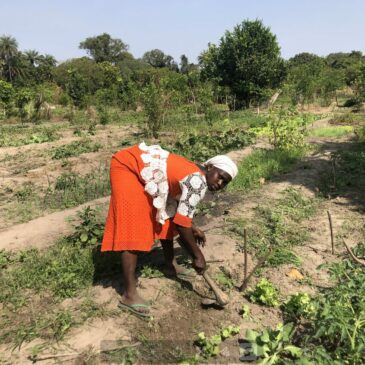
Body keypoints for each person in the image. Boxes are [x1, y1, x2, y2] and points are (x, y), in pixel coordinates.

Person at [101, 142, 238, 317]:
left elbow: (177, 213)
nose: (219, 183)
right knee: (135, 227)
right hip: (127, 167)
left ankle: (170, 265)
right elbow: (182, 225)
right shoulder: (197, 182)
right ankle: (129, 294)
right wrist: (198, 256)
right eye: (220, 176)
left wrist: (192, 228)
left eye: (224, 183)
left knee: (165, 215)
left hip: (143, 169)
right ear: (210, 167)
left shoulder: (198, 175)